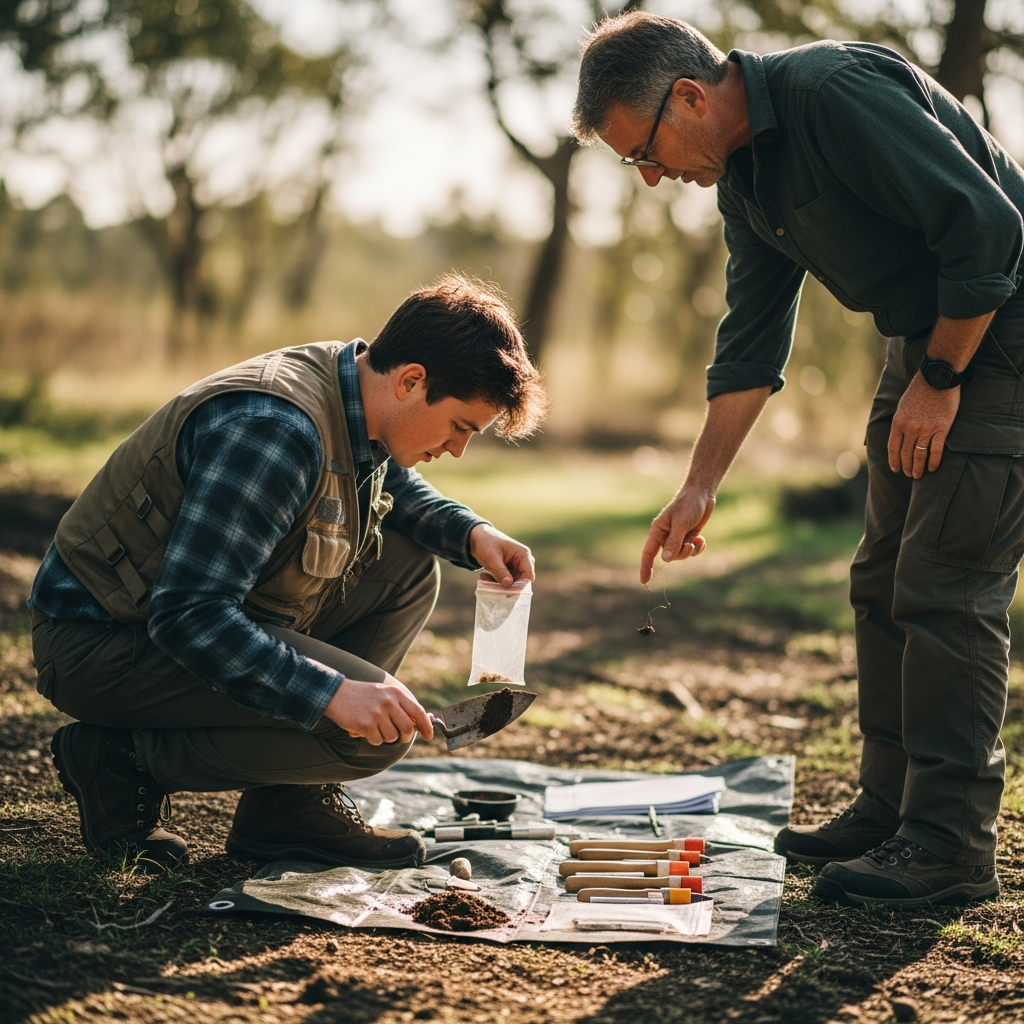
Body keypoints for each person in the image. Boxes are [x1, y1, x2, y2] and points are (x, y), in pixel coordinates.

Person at [572, 12, 1024, 906]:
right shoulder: (744, 184)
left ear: (691, 96)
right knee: (881, 578)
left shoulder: (832, 92)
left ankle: (949, 842)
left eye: (644, 153)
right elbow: (751, 339)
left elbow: (988, 228)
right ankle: (889, 809)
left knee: (944, 584)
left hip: (998, 332)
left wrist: (940, 376)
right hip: (924, 339)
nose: (654, 178)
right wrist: (699, 485)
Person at [29, 274, 546, 871]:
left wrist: (471, 533)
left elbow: (389, 480)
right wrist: (331, 695)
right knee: (365, 739)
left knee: (407, 570)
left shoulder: (356, 386)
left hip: (166, 622)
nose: (458, 449)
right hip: (100, 644)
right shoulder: (275, 429)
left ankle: (287, 808)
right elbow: (188, 614)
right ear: (412, 380)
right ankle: (121, 758)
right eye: (460, 427)